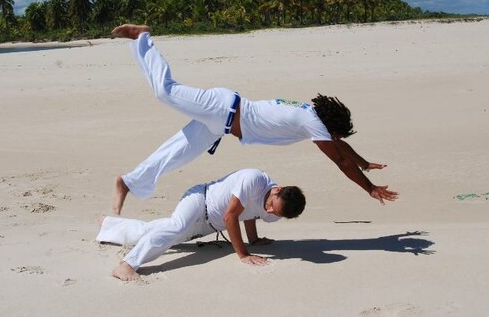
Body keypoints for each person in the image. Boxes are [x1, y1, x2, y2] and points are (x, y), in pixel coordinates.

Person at [111, 24, 398, 215]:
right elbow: (339, 159)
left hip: (220, 126)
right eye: (336, 136)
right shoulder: (312, 122)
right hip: (221, 107)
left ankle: (128, 182)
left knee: (175, 155)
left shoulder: (312, 118)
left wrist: (363, 162)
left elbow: (341, 152)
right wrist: (369, 188)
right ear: (330, 128)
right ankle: (143, 36)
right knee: (165, 91)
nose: (335, 141)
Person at [97, 168, 305, 281]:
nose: (269, 212)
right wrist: (243, 254)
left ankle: (109, 226)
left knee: (163, 233)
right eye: (271, 206)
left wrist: (254, 239)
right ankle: (127, 265)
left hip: (208, 227)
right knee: (175, 228)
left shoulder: (274, 212)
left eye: (274, 212)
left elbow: (249, 212)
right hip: (199, 200)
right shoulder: (255, 178)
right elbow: (230, 216)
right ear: (277, 189)